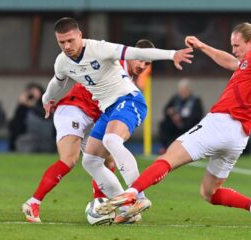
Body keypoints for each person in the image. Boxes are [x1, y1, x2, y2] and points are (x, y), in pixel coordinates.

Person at [96, 22, 251, 229]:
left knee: (167, 159)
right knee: (209, 193)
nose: (234, 50)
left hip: (221, 123)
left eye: (237, 45)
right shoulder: (247, 62)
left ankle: (131, 196)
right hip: (238, 138)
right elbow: (229, 61)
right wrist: (203, 46)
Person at [41, 17, 193, 224]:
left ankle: (138, 196)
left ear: (79, 35)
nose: (67, 46)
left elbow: (137, 51)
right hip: (109, 110)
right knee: (91, 160)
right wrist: (47, 99)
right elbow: (57, 82)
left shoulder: (100, 49)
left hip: (130, 101)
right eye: (62, 42)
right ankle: (127, 207)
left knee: (111, 140)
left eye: (70, 40)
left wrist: (172, 54)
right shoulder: (62, 61)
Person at [21, 39, 156, 223]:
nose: (142, 66)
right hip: (74, 109)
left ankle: (108, 206)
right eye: (140, 59)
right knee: (69, 159)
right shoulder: (115, 62)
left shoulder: (130, 80)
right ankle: (33, 203)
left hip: (94, 117)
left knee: (105, 161)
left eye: (147, 63)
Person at [158, 78, 203, 153]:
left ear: (189, 90)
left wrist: (181, 118)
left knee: (189, 127)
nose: (182, 92)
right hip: (175, 123)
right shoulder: (175, 98)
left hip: (188, 124)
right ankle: (166, 147)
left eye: (184, 90)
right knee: (163, 125)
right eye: (180, 90)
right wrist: (172, 114)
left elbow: (197, 115)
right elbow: (166, 109)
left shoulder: (195, 100)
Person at [8, 83, 55, 152]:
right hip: (27, 146)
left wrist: (33, 104)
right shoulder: (22, 109)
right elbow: (16, 128)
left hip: (47, 146)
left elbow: (46, 117)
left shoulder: (46, 107)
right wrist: (21, 105)